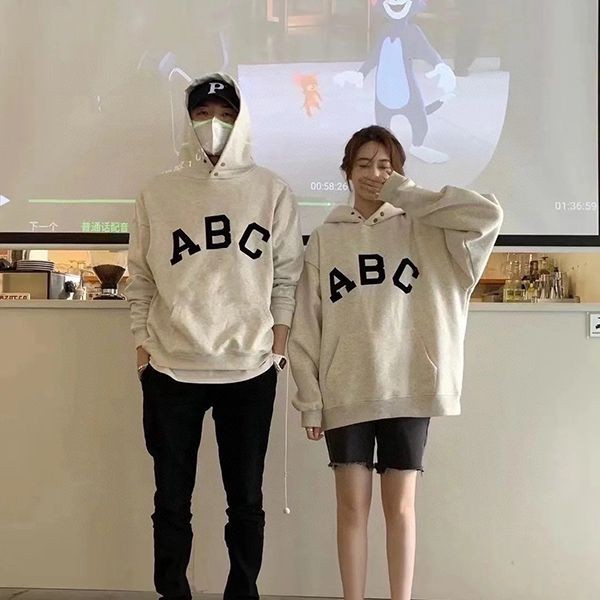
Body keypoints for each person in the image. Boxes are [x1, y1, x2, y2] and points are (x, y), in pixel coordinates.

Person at [288, 125, 502, 600]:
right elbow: (307, 325)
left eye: (385, 165)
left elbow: (487, 215)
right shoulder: (325, 239)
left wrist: (404, 192)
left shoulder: (429, 230)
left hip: (408, 386)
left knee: (401, 510)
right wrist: (310, 400)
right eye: (363, 164)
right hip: (346, 391)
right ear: (347, 172)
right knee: (351, 509)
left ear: (400, 172)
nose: (374, 174)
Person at [127, 72, 304, 600]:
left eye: (225, 114)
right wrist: (142, 348)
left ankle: (242, 592)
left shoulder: (271, 191)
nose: (213, 124)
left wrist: (277, 345)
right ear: (187, 122)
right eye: (202, 114)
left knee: (246, 499)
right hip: (171, 366)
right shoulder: (158, 193)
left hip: (249, 367)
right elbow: (140, 276)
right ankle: (172, 592)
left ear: (241, 121)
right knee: (170, 500)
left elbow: (287, 276)